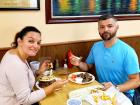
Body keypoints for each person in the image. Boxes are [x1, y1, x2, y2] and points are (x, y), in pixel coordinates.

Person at [70, 14, 140, 101]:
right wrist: (79, 63)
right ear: (98, 29)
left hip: (123, 93)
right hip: (101, 90)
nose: (105, 29)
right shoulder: (96, 46)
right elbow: (87, 67)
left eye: (109, 26)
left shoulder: (128, 51)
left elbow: (136, 81)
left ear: (117, 27)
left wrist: (116, 88)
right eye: (102, 27)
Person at [0, 26, 68, 105]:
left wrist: (39, 72)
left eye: (38, 43)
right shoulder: (15, 64)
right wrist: (53, 87)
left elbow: (23, 78)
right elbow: (25, 100)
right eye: (31, 41)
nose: (36, 46)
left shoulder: (15, 53)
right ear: (19, 41)